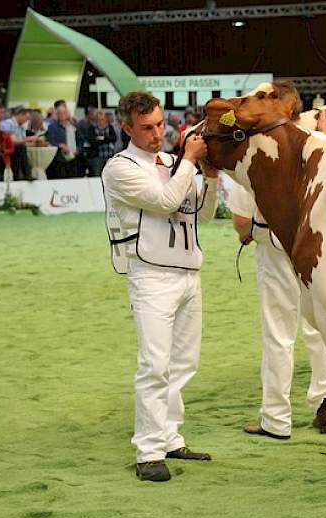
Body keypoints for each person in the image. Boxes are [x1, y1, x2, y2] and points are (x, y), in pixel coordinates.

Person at [101, 91, 219, 482]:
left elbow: (200, 213)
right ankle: (148, 451)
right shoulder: (119, 168)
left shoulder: (172, 162)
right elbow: (166, 201)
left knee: (184, 363)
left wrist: (211, 178)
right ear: (127, 128)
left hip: (188, 272)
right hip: (150, 275)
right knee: (154, 364)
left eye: (159, 124)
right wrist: (189, 162)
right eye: (147, 128)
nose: (157, 134)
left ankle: (170, 437)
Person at [229, 182, 326, 438]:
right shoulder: (316, 141)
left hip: (275, 244)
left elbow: (241, 220)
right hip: (317, 242)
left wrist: (245, 234)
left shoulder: (252, 150)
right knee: (320, 326)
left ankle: (276, 417)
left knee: (279, 332)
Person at [45, 104, 81, 178]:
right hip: (59, 160)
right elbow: (50, 141)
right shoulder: (52, 127)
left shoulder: (73, 126)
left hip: (73, 159)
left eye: (64, 112)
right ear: (57, 114)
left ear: (68, 114)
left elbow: (80, 141)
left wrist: (78, 149)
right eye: (59, 113)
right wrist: (60, 145)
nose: (62, 115)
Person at [1, 108, 33, 180]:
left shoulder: (21, 127)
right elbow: (12, 141)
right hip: (5, 149)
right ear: (21, 115)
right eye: (26, 118)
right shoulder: (8, 123)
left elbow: (22, 141)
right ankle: (26, 174)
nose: (26, 121)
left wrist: (35, 143)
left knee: (22, 148)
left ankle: (26, 174)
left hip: (16, 149)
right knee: (21, 148)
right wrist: (27, 139)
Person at [85, 110, 117, 176]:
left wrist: (102, 139)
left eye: (102, 119)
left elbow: (114, 138)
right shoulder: (92, 128)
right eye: (99, 119)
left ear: (105, 119)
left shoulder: (110, 127)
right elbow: (92, 141)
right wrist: (106, 139)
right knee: (97, 174)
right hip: (97, 157)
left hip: (109, 155)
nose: (101, 121)